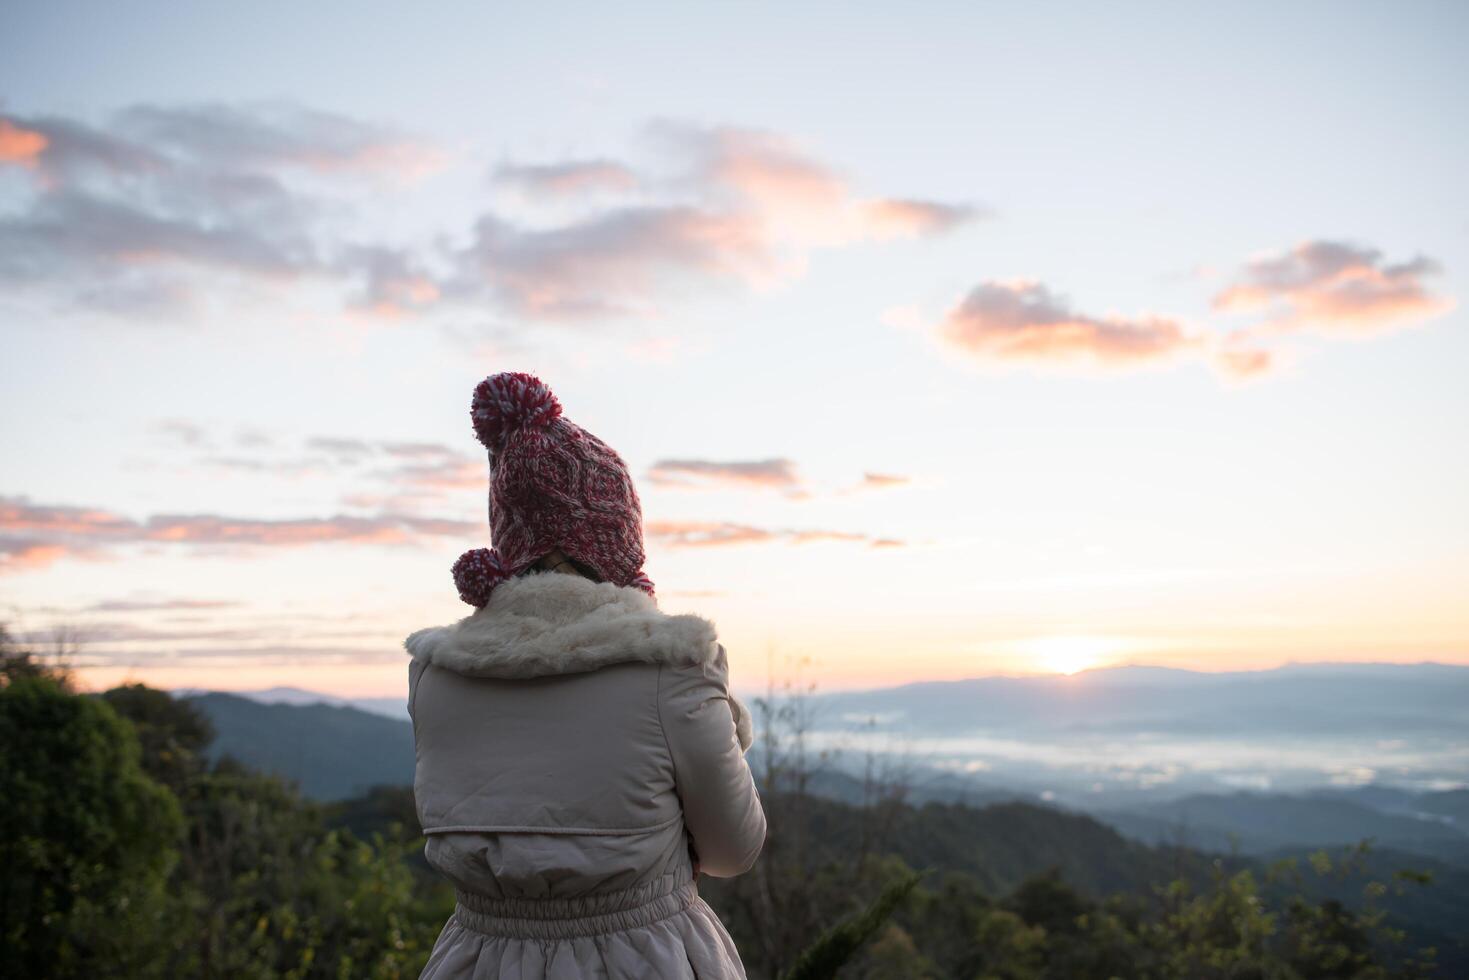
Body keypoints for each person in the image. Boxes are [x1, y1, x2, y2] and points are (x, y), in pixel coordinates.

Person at [403, 371, 767, 979]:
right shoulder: (670, 668)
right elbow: (735, 849)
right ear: (619, 536)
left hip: (476, 961)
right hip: (650, 959)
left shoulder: (434, 677)